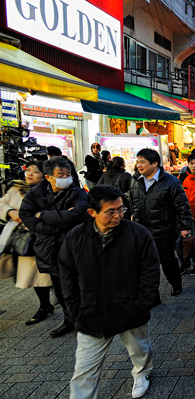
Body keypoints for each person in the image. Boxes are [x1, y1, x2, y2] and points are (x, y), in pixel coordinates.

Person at [59, 185, 160, 399]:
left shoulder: (137, 234)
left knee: (139, 349)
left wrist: (140, 304)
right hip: (91, 313)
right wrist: (75, 310)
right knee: (84, 371)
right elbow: (67, 277)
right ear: (92, 212)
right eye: (111, 211)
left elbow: (150, 273)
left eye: (121, 209)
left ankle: (142, 373)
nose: (118, 215)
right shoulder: (75, 238)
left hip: (130, 309)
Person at [19, 157, 88, 337]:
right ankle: (69, 320)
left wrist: (42, 214)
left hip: (73, 247)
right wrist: (59, 220)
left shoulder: (78, 193)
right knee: (59, 287)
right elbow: (26, 215)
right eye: (61, 175)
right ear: (49, 177)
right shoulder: (36, 193)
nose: (66, 178)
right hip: (48, 248)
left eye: (68, 174)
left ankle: (85, 318)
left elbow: (77, 216)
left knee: (78, 284)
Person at [130, 149, 193, 297]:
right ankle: (153, 295)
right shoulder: (135, 180)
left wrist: (185, 227)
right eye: (138, 161)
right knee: (147, 264)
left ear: (155, 163)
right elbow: (133, 203)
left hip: (165, 231)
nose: (139, 165)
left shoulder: (171, 182)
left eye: (142, 162)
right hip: (143, 231)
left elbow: (182, 206)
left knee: (167, 261)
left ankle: (176, 284)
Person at [0, 161, 54, 325]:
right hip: (24, 240)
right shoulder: (16, 188)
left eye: (35, 171)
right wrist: (10, 211)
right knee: (36, 276)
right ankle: (45, 306)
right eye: (28, 170)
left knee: (50, 275)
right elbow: (2, 203)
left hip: (45, 237)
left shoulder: (49, 190)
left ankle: (57, 306)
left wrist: (31, 216)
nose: (29, 173)